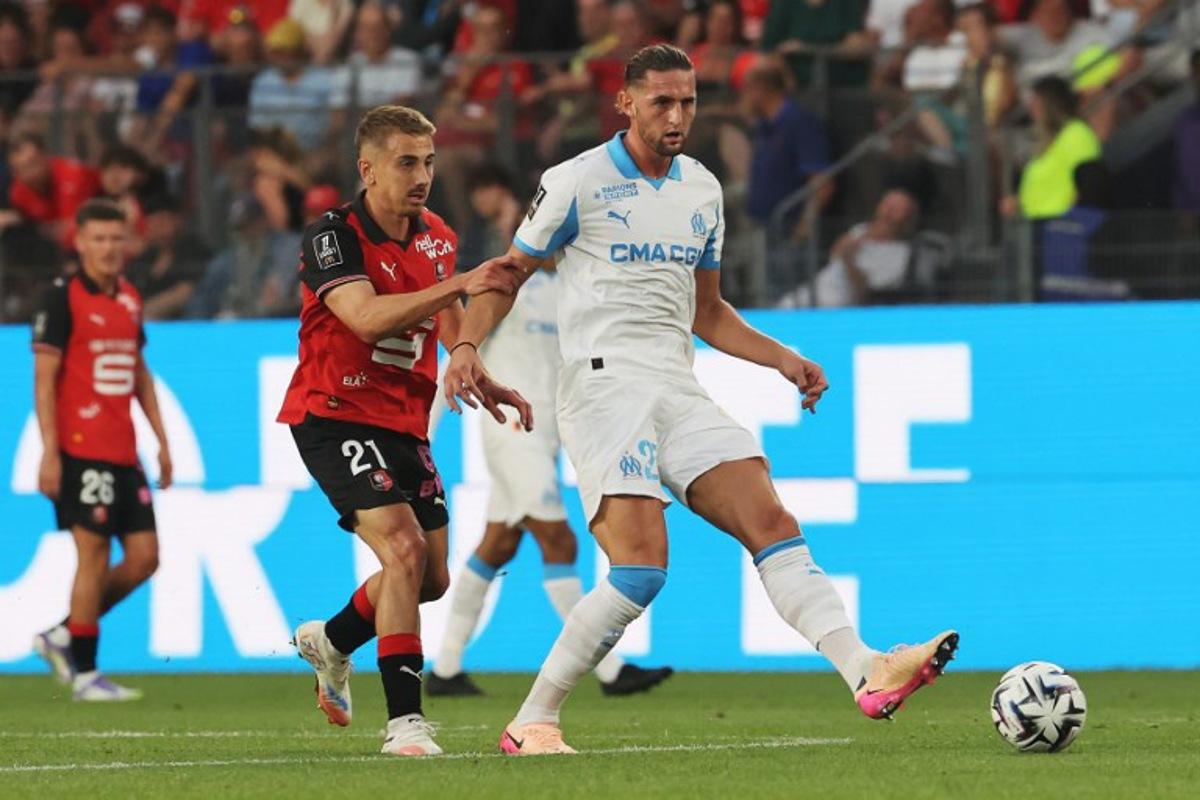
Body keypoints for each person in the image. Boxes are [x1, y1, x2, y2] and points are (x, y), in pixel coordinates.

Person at [443, 44, 958, 756]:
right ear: (626, 102)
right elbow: (506, 274)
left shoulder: (702, 189)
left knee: (770, 518)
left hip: (676, 384)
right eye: (662, 101)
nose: (678, 115)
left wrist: (784, 358)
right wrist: (467, 347)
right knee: (641, 568)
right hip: (603, 384)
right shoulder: (576, 181)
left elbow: (706, 310)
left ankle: (864, 669)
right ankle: (533, 720)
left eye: (688, 101)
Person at [277, 105, 530, 757]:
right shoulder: (333, 236)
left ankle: (330, 641)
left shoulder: (439, 235)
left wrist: (468, 353)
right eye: (407, 162)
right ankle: (406, 724)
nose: (423, 175)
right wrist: (462, 288)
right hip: (333, 412)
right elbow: (362, 318)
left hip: (402, 421)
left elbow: (446, 309)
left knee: (431, 579)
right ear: (368, 168)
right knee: (404, 551)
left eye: (429, 161)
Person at [427, 166, 673, 698]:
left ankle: (444, 669)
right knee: (559, 539)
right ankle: (610, 669)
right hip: (512, 428)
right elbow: (460, 348)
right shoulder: (502, 285)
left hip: (547, 433)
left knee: (497, 545)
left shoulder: (570, 293)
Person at [29, 198, 172, 702]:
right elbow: (44, 382)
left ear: (128, 243)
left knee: (144, 558)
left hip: (123, 450)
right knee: (93, 553)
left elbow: (138, 374)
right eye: (99, 239)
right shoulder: (60, 298)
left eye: (117, 239)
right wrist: (50, 452)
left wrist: (162, 441)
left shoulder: (129, 297)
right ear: (80, 241)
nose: (109, 248)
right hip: (79, 448)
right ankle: (85, 671)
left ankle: (66, 633)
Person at [1008, 76, 1101, 220]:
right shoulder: (1048, 142)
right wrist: (1019, 202)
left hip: (1061, 229)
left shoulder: (1076, 133)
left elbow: (1091, 185)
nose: (1031, 107)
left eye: (1036, 101)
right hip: (1039, 227)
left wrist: (1071, 223)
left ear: (1050, 104)